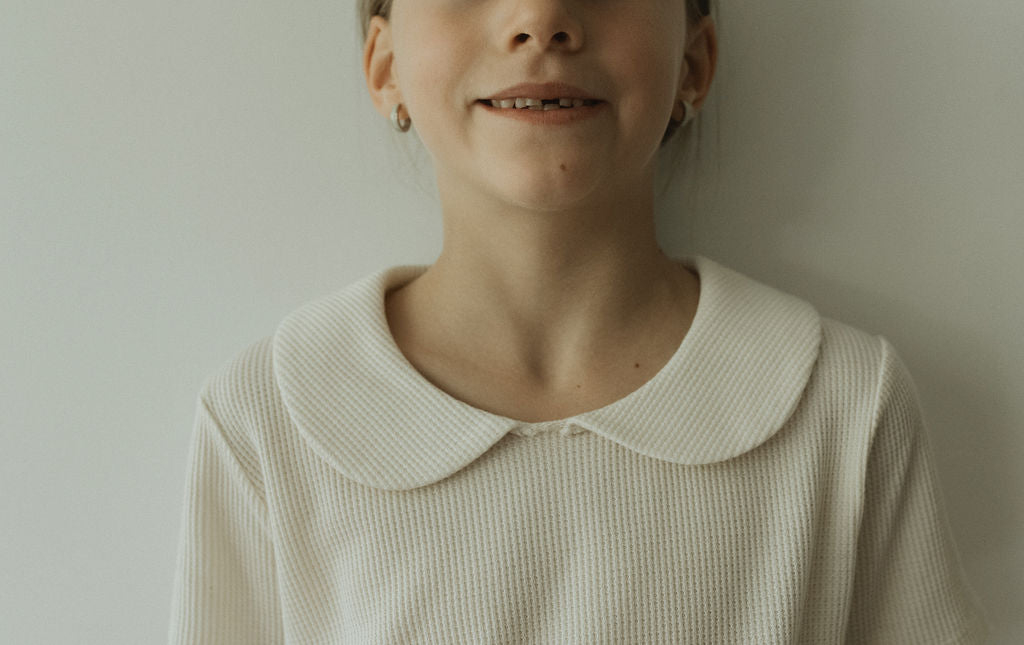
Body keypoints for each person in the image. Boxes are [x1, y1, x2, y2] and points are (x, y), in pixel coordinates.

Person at [168, 0, 990, 642]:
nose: (541, 20)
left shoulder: (843, 408)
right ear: (384, 67)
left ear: (695, 63)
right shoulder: (271, 420)